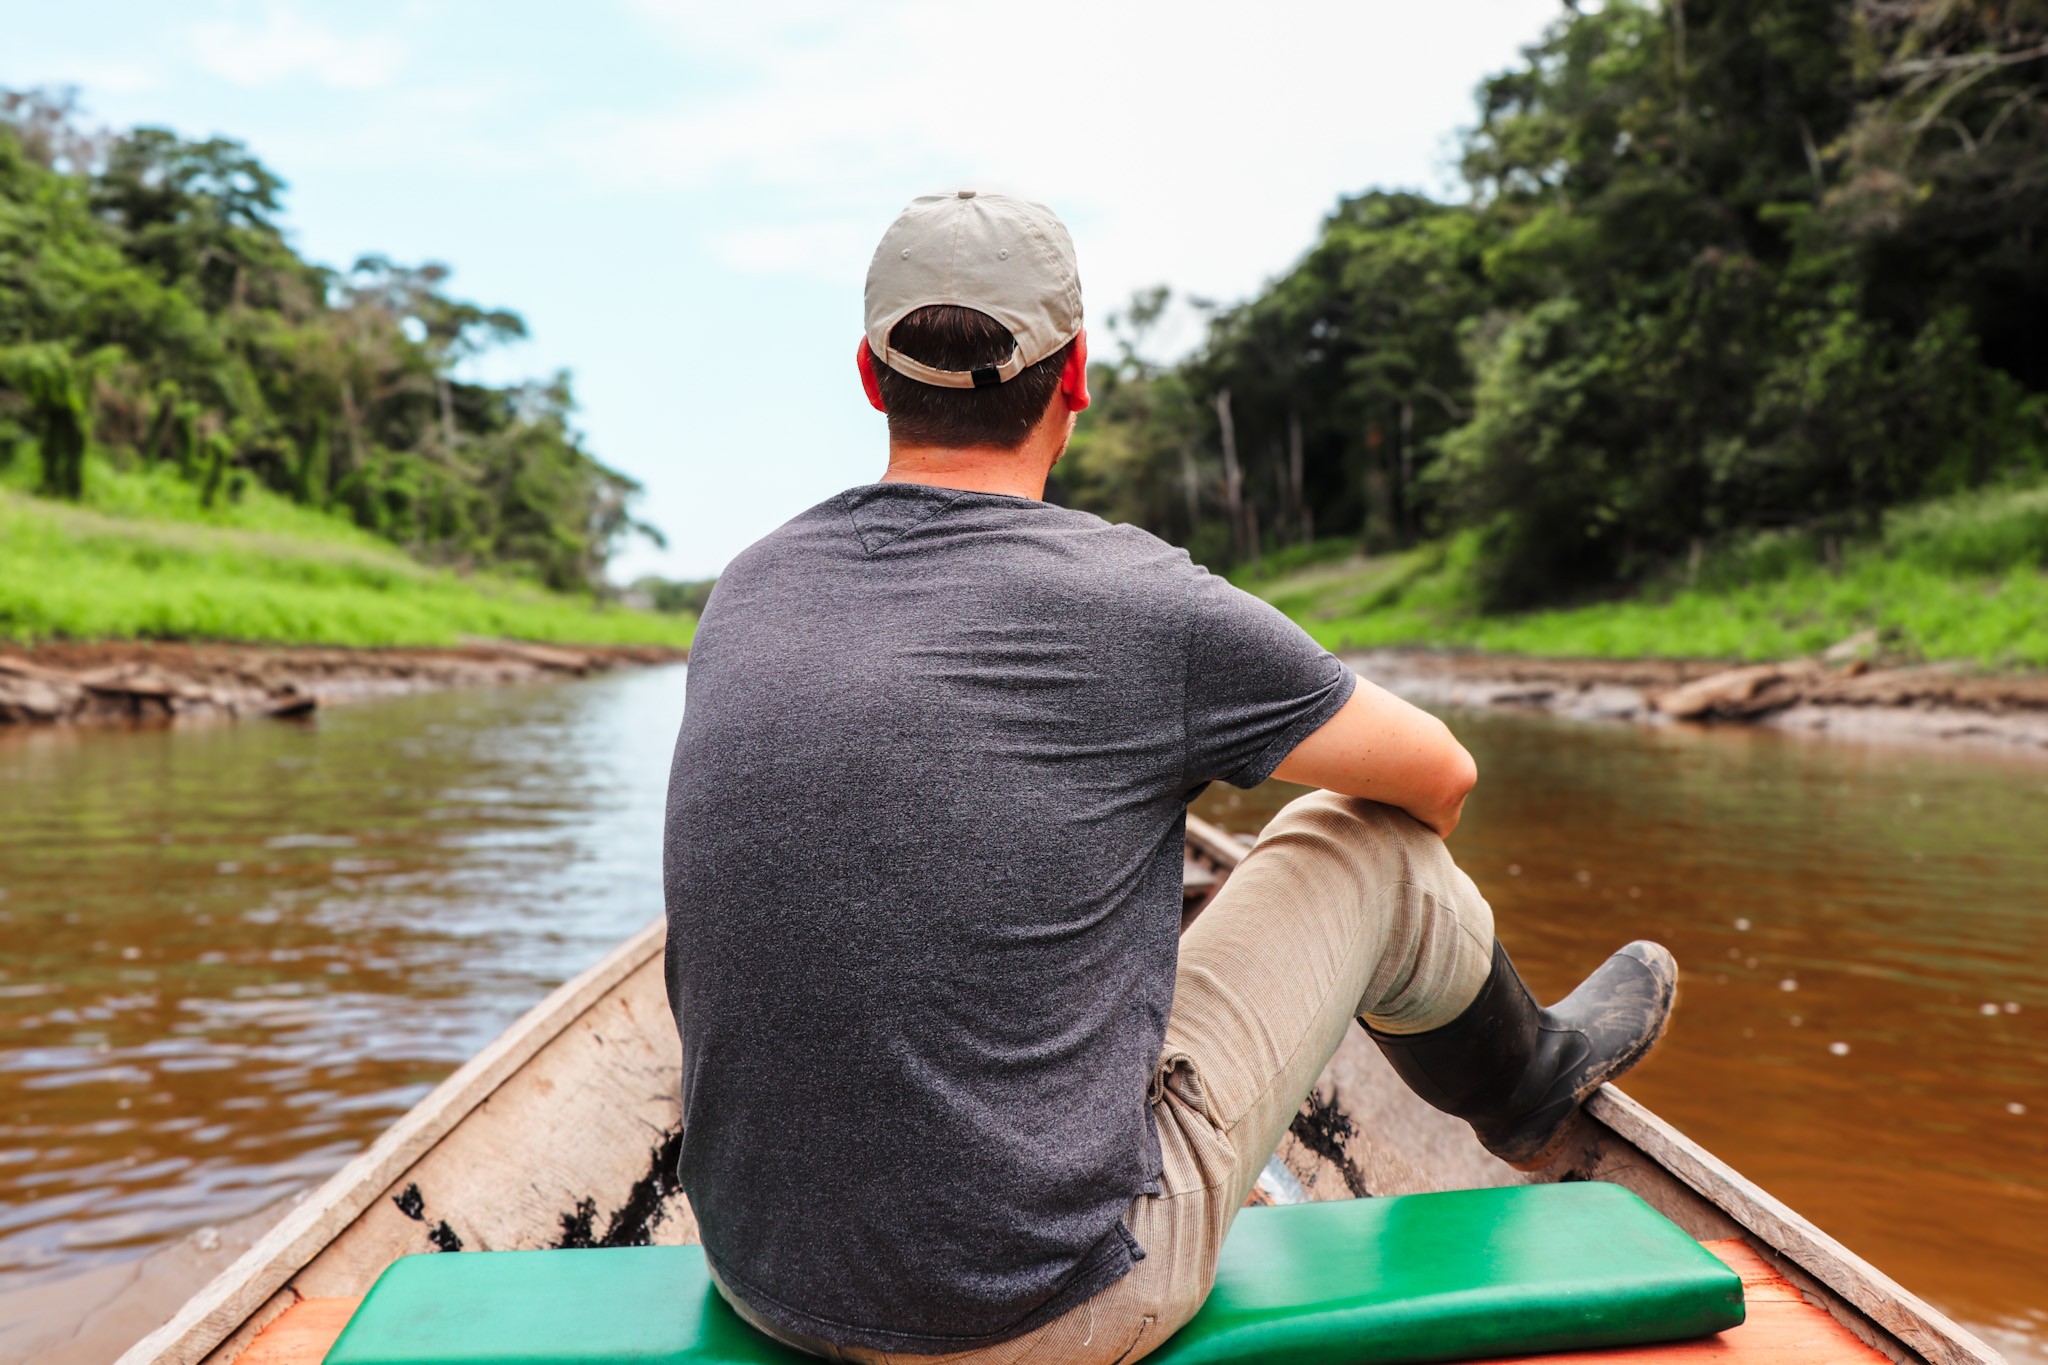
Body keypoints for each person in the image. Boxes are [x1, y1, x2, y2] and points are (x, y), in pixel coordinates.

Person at [662, 191, 1677, 1365]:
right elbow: (1438, 778)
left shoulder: (747, 588)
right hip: (1039, 1308)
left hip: (758, 1275)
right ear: (1077, 374)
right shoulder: (1139, 599)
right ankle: (1526, 1083)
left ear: (867, 374)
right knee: (1368, 841)